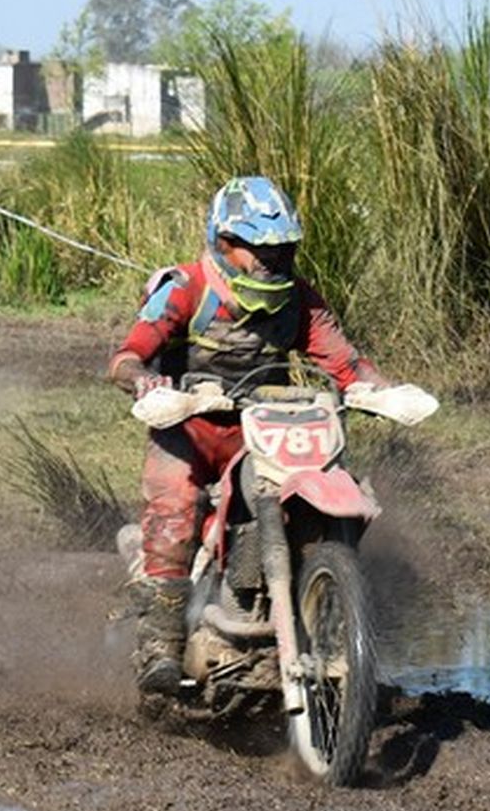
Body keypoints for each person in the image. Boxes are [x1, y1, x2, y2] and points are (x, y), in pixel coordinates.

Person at [108, 175, 388, 695]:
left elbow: (344, 362)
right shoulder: (187, 287)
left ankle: (317, 623)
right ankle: (159, 650)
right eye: (261, 252)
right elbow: (128, 356)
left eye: (283, 252)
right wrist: (144, 380)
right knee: (173, 516)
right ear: (225, 242)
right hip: (186, 431)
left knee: (311, 507)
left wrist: (380, 389)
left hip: (260, 434)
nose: (272, 263)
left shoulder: (298, 300)